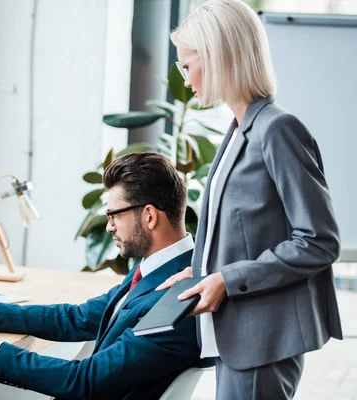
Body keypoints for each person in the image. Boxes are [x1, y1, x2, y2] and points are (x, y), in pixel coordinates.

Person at [156, 1, 343, 399]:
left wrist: (228, 279)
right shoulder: (239, 129)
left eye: (187, 66)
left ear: (218, 57)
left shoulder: (277, 130)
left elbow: (318, 241)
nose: (185, 81)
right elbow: (246, 231)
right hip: (241, 335)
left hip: (263, 339)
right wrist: (202, 271)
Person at [0, 152, 212, 400]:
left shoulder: (180, 294)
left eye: (114, 215)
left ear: (149, 216)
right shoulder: (160, 268)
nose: (109, 227)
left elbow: (85, 381)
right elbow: (79, 317)